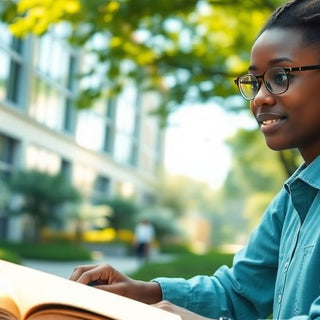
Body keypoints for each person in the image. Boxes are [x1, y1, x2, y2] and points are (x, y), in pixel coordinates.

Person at [70, 0, 320, 319]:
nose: (260, 98)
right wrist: (146, 291)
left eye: (280, 77)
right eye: (255, 81)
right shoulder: (292, 200)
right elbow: (238, 291)